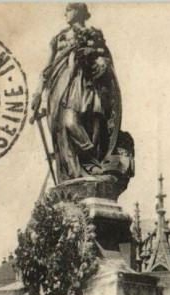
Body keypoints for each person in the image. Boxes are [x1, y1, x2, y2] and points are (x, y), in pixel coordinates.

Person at [31, 3, 121, 182]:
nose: (65, 13)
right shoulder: (59, 38)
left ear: (79, 13)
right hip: (59, 88)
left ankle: (91, 162)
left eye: (69, 10)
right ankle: (76, 171)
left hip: (83, 86)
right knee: (64, 127)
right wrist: (37, 93)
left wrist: (94, 54)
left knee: (80, 124)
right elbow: (47, 68)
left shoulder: (93, 35)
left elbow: (104, 60)